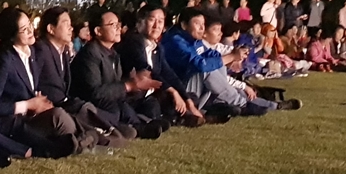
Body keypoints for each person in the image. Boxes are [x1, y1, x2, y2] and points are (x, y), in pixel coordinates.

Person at [161, 9, 300, 117]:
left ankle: (248, 104)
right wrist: (231, 57)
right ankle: (252, 105)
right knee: (207, 69)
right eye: (197, 24)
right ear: (184, 25)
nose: (201, 28)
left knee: (217, 66)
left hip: (198, 89)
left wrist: (230, 59)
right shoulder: (176, 41)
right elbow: (200, 64)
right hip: (178, 91)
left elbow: (213, 56)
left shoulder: (193, 40)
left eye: (203, 24)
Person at [0, 8, 83, 158]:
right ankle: (76, 142)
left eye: (30, 25)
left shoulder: (31, 55)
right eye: (24, 29)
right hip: (11, 123)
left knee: (66, 116)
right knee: (59, 117)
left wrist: (39, 101)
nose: (31, 31)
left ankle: (79, 141)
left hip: (30, 118)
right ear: (12, 35)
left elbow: (30, 88)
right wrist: (28, 105)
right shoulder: (5, 59)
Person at [71, 9, 163, 138]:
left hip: (111, 102)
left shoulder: (113, 53)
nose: (118, 28)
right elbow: (94, 93)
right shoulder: (90, 54)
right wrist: (128, 85)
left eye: (119, 24)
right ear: (98, 31)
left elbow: (116, 85)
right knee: (114, 108)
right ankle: (133, 127)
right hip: (92, 105)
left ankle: (142, 124)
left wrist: (135, 85)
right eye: (113, 25)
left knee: (140, 101)